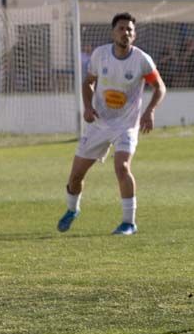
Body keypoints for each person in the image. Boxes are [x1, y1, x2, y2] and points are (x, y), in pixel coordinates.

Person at [57, 13, 166, 236]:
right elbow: (88, 83)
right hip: (99, 123)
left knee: (122, 166)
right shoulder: (100, 55)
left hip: (126, 125)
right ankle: (72, 209)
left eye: (129, 30)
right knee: (76, 176)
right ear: (112, 32)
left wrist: (150, 112)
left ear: (134, 36)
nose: (125, 32)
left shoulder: (142, 60)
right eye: (121, 28)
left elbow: (160, 87)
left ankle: (129, 223)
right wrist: (87, 107)